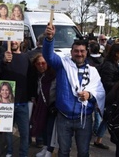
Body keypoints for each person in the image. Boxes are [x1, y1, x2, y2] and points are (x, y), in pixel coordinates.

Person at [42, 24, 105, 157]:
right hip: (64, 118)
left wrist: (90, 95)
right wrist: (49, 39)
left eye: (82, 51)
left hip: (85, 119)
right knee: (64, 152)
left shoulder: (93, 71)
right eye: (76, 51)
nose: (79, 54)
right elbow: (48, 56)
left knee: (83, 152)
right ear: (71, 52)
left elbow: (99, 92)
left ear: (86, 52)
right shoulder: (62, 65)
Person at [0, 40, 32, 157]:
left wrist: (32, 96)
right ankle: (9, 152)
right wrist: (3, 61)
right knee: (7, 131)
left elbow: (31, 77)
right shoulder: (2, 56)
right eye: (12, 39)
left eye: (17, 38)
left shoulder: (26, 57)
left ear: (21, 40)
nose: (14, 41)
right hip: (7, 102)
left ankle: (24, 154)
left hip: (22, 102)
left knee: (25, 133)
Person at [94, 43, 119, 150]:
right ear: (116, 53)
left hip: (115, 95)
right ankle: (98, 138)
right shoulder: (108, 65)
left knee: (107, 118)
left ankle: (98, 138)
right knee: (108, 118)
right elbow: (107, 83)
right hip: (108, 96)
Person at [30, 54, 56, 157]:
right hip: (42, 106)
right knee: (43, 128)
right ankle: (45, 147)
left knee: (50, 129)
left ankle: (50, 150)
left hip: (52, 106)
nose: (41, 65)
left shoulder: (53, 75)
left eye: (43, 63)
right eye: (38, 63)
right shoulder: (38, 76)